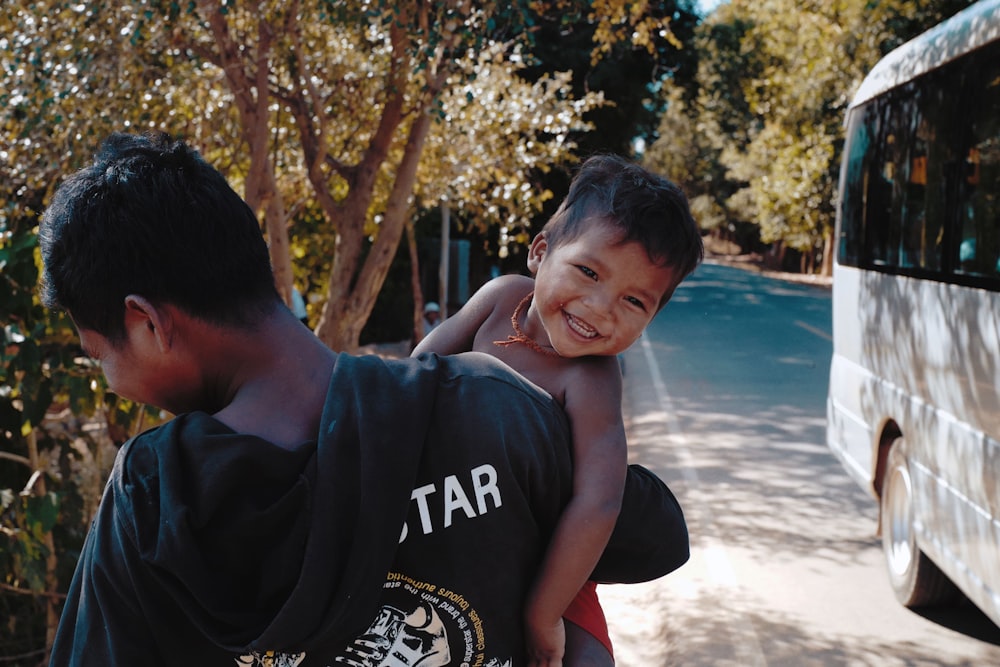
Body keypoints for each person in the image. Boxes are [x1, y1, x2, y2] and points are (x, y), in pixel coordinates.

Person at [40, 132, 689, 666]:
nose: (601, 309)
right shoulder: (511, 409)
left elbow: (610, 509)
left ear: (148, 325)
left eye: (102, 357)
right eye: (590, 274)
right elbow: (654, 533)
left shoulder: (154, 494)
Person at [414, 154, 703, 665]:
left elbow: (598, 503)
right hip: (437, 508)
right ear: (540, 253)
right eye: (589, 271)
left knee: (589, 661)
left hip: (543, 553)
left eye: (635, 301)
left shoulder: (591, 379)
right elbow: (414, 375)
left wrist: (543, 615)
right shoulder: (500, 299)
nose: (600, 306)